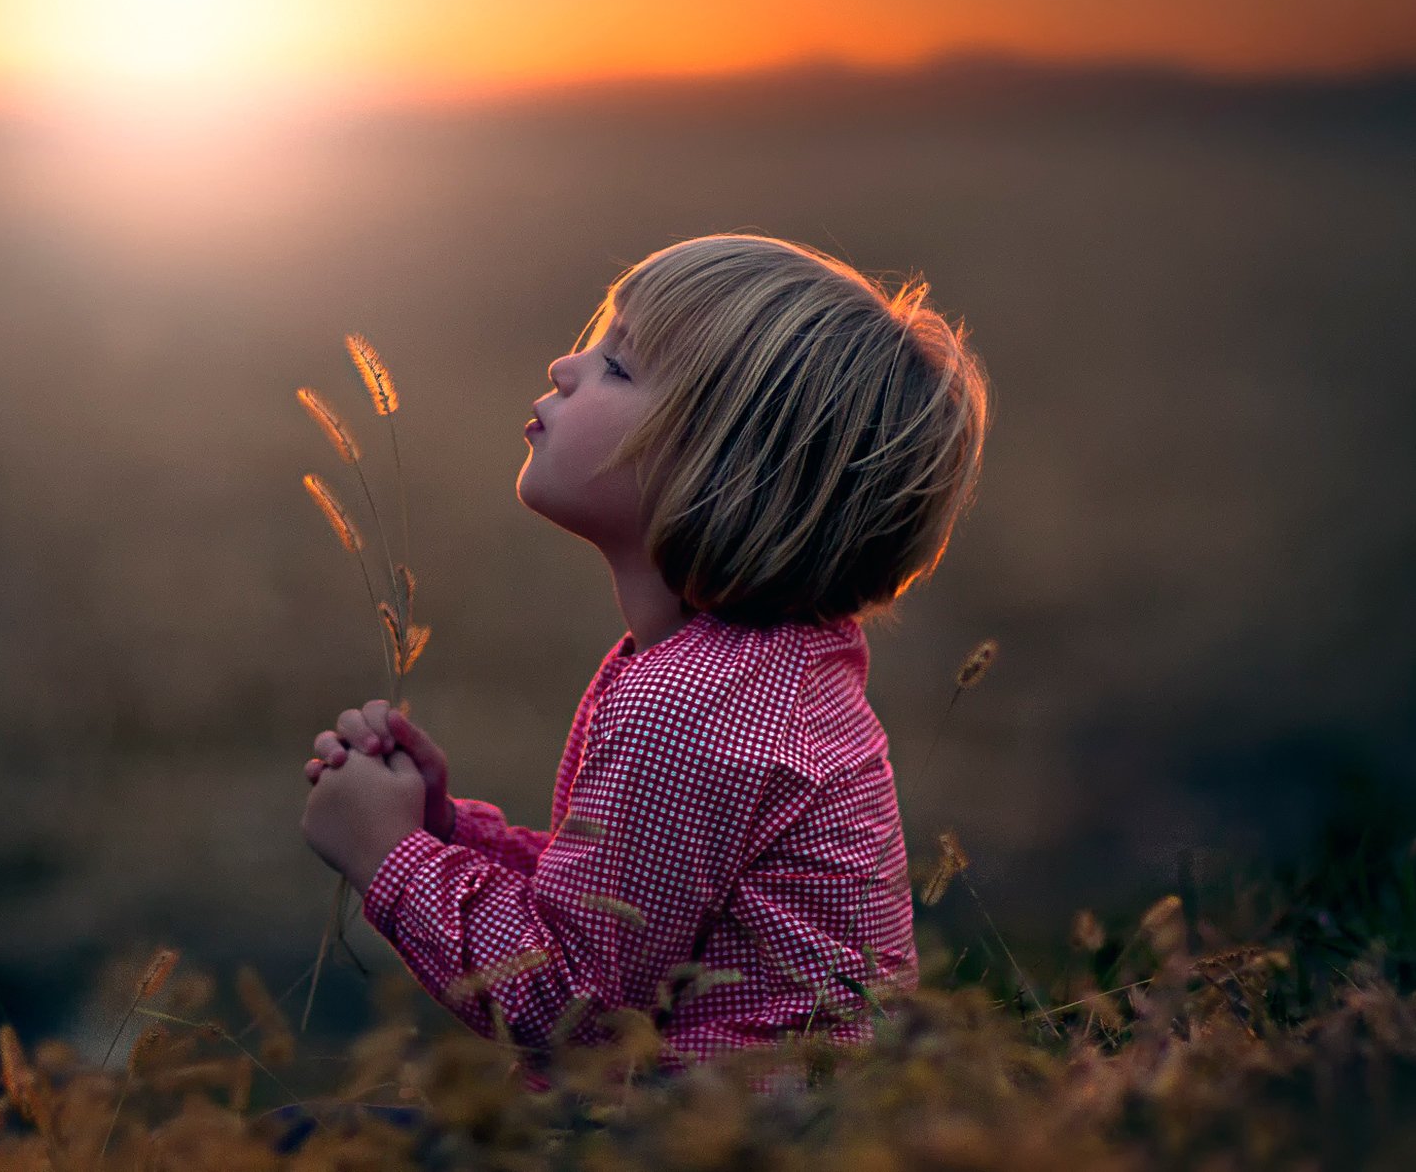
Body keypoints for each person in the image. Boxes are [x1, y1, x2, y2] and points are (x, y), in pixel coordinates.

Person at [298, 232, 991, 1103]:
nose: (563, 364)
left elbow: (576, 1012)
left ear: (732, 471)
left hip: (719, 1139)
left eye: (619, 368)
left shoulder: (691, 703)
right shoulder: (763, 669)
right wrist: (447, 832)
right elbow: (632, 913)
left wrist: (389, 854)